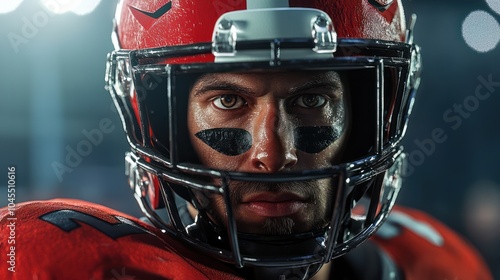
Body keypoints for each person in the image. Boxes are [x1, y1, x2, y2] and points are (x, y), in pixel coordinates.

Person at [0, 0, 493, 279]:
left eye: (312, 101)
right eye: (229, 103)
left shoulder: (432, 265)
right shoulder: (65, 261)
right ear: (160, 122)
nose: (273, 154)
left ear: (369, 118)